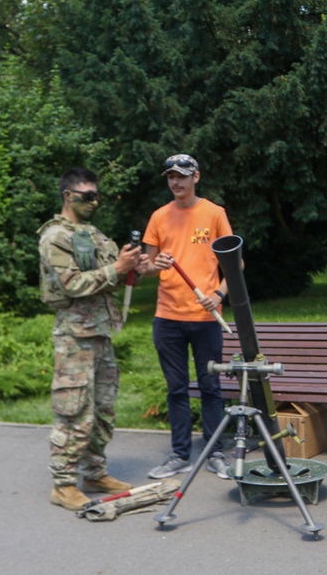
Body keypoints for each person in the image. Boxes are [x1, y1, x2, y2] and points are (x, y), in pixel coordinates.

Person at [38, 167, 148, 511]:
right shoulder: (55, 236)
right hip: (75, 336)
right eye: (88, 196)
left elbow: (108, 281)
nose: (95, 201)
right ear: (69, 196)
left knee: (102, 409)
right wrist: (117, 268)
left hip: (100, 331)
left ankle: (94, 472)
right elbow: (73, 284)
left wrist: (132, 268)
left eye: (97, 195)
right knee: (74, 411)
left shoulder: (93, 234)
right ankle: (63, 483)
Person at [142, 154, 233, 480]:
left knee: (210, 387)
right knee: (176, 388)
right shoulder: (159, 217)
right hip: (167, 318)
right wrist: (154, 266)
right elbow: (147, 268)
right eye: (171, 177)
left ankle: (215, 452)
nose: (176, 182)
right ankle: (180, 454)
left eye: (182, 176)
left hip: (206, 318)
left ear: (196, 176)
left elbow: (236, 267)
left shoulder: (214, 213)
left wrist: (219, 295)